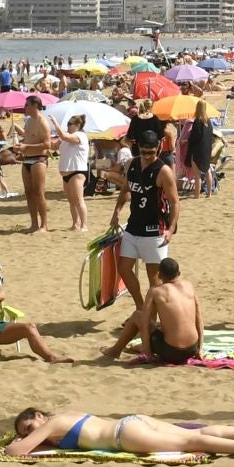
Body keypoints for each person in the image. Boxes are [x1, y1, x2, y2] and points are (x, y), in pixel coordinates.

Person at [6, 408, 234, 458]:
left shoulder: (52, 425)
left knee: (189, 441)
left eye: (29, 427)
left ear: (39, 415)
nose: (31, 433)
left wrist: (20, 441)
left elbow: (16, 451)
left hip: (124, 436)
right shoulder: (68, 414)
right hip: (132, 421)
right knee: (195, 431)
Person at [102, 130, 176, 306]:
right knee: (124, 269)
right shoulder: (133, 165)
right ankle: (141, 308)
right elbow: (126, 189)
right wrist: (117, 211)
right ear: (138, 149)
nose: (147, 156)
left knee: (154, 279)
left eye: (151, 152)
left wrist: (171, 229)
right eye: (144, 152)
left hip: (154, 230)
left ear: (158, 148)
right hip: (134, 226)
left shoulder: (163, 171)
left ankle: (152, 317)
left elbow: (175, 202)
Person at [103, 256, 203, 362]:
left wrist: (148, 353)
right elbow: (199, 319)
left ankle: (115, 351)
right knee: (161, 326)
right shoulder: (189, 286)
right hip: (192, 350)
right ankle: (134, 348)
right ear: (179, 273)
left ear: (159, 275)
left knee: (138, 315)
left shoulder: (155, 291)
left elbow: (144, 324)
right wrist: (199, 349)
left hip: (171, 352)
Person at [13, 98, 56, 234]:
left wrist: (27, 146)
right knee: (28, 192)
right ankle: (34, 224)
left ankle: (44, 225)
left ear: (35, 105)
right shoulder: (29, 121)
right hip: (27, 159)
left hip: (39, 159)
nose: (25, 107)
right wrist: (21, 145)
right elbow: (28, 138)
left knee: (38, 192)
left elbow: (47, 144)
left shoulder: (42, 122)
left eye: (27, 105)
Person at [56, 114, 92, 232]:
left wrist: (56, 123)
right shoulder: (66, 137)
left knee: (78, 199)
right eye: (67, 124)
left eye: (70, 124)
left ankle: (84, 225)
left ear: (78, 125)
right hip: (66, 173)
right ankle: (75, 224)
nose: (68, 126)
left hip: (77, 171)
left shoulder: (80, 135)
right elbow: (53, 145)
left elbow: (65, 136)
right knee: (71, 201)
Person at [184, 102, 217, 196]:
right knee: (207, 171)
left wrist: (188, 140)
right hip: (207, 149)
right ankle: (209, 193)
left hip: (197, 150)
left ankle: (197, 195)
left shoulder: (197, 121)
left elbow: (194, 137)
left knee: (197, 174)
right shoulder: (208, 122)